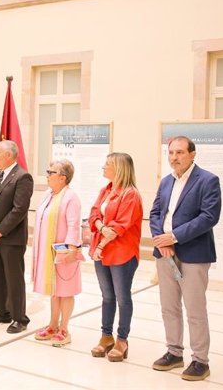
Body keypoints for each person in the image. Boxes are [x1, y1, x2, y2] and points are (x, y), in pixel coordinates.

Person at [149, 136, 221, 382]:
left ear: (192, 154)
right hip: (165, 254)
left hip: (193, 254)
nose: (174, 157)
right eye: (170, 153)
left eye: (179, 152)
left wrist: (174, 238)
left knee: (195, 310)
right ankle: (174, 352)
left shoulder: (208, 180)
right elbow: (156, 212)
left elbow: (209, 217)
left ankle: (200, 360)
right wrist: (162, 240)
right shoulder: (166, 181)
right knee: (169, 307)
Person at [88, 152, 143, 362]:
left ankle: (122, 339)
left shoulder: (131, 195)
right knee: (107, 297)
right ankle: (106, 336)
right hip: (102, 250)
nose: (103, 167)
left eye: (107, 164)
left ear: (119, 168)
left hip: (121, 253)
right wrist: (101, 228)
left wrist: (103, 238)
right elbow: (94, 214)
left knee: (122, 297)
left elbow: (120, 226)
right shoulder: (106, 190)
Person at [0, 140, 34, 333]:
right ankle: (1, 312)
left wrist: (1, 230)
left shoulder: (23, 177)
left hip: (11, 238)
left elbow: (19, 209)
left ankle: (19, 318)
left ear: (9, 156)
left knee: (13, 278)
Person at [32, 159, 82, 347]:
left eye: (50, 172)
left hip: (65, 252)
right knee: (55, 291)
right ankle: (52, 325)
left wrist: (70, 249)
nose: (47, 175)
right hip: (49, 252)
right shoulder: (48, 194)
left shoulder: (71, 197)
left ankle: (64, 329)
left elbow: (73, 224)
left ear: (62, 178)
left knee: (66, 291)